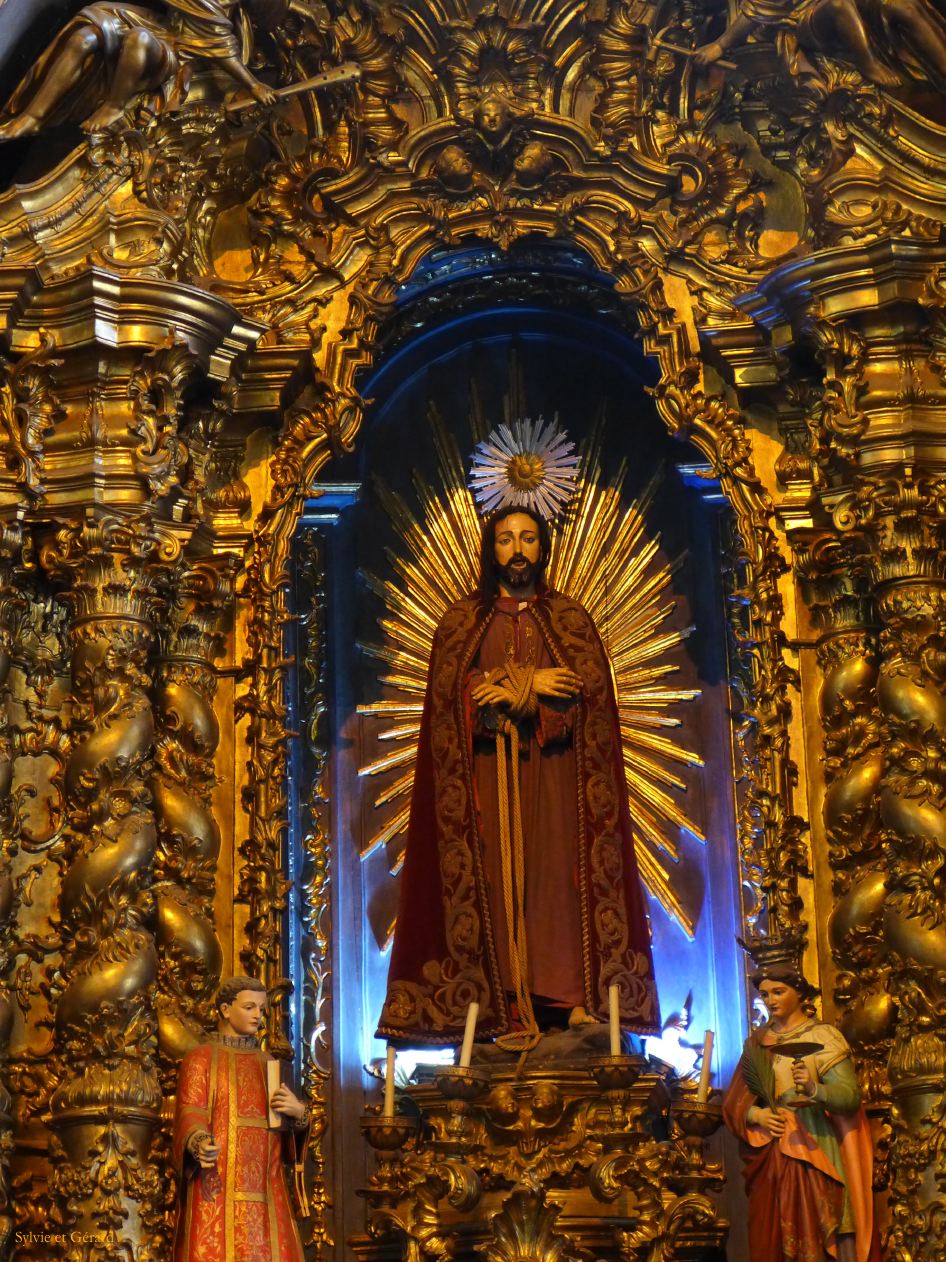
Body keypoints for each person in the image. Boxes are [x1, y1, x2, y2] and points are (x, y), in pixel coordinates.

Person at [377, 506, 659, 1048]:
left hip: (555, 783)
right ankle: (499, 1001)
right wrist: (511, 689)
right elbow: (446, 707)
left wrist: (527, 694)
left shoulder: (570, 622)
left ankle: (567, 997)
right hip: (485, 783)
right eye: (506, 539)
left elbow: (590, 700)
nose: (518, 549)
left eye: (528, 537)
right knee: (493, 881)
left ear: (543, 546)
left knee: (554, 881)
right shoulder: (461, 624)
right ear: (491, 549)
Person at [723, 962, 880, 1262]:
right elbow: (734, 1102)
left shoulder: (824, 1036)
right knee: (772, 1235)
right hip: (771, 1152)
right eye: (765, 994)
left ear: (799, 993)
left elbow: (848, 1097)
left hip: (814, 1148)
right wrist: (757, 1116)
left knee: (818, 1233)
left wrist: (815, 1090)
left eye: (778, 992)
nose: (770, 1001)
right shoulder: (757, 1043)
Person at [0, 0, 277, 141]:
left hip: (174, 53)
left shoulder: (223, 7)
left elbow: (222, 50)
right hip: (158, 25)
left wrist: (253, 85)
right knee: (82, 38)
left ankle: (114, 105)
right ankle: (32, 115)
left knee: (138, 40)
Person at [172, 976, 308, 1262]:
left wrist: (299, 1114)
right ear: (224, 1009)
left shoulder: (269, 1063)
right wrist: (197, 1141)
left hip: (266, 1187)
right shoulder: (201, 1058)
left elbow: (285, 1134)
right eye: (249, 1007)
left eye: (261, 1008)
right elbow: (190, 1110)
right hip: (216, 1181)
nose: (258, 1015)